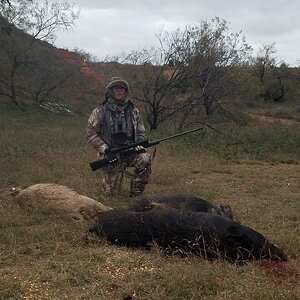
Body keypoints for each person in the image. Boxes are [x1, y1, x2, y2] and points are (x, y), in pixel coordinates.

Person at [86, 77, 152, 197]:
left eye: (122, 89)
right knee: (111, 195)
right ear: (111, 91)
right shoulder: (100, 111)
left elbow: (141, 132)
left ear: (126, 91)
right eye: (116, 88)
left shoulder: (134, 111)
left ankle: (136, 195)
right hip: (111, 155)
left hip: (130, 153)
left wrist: (139, 145)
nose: (119, 91)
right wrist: (105, 149)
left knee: (145, 158)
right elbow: (90, 134)